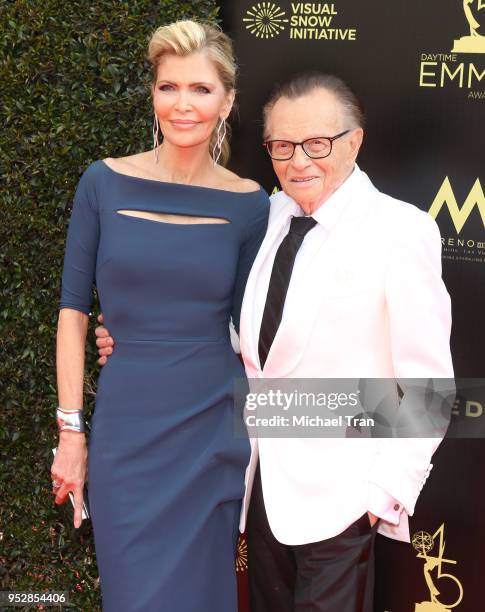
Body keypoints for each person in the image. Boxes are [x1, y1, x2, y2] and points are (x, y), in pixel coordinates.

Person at [96, 72, 453, 611]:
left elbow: (428, 390)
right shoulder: (270, 214)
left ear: (354, 141)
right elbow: (235, 327)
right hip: (258, 486)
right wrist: (145, 335)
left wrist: (379, 497)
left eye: (317, 144)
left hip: (342, 501)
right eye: (282, 147)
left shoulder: (401, 232)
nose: (299, 162)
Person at [51, 19, 269, 612]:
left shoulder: (251, 205)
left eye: (200, 89)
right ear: (153, 94)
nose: (183, 105)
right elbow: (73, 311)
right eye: (168, 87)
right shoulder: (103, 183)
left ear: (226, 102)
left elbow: (250, 324)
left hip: (211, 430)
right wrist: (71, 432)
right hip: (129, 430)